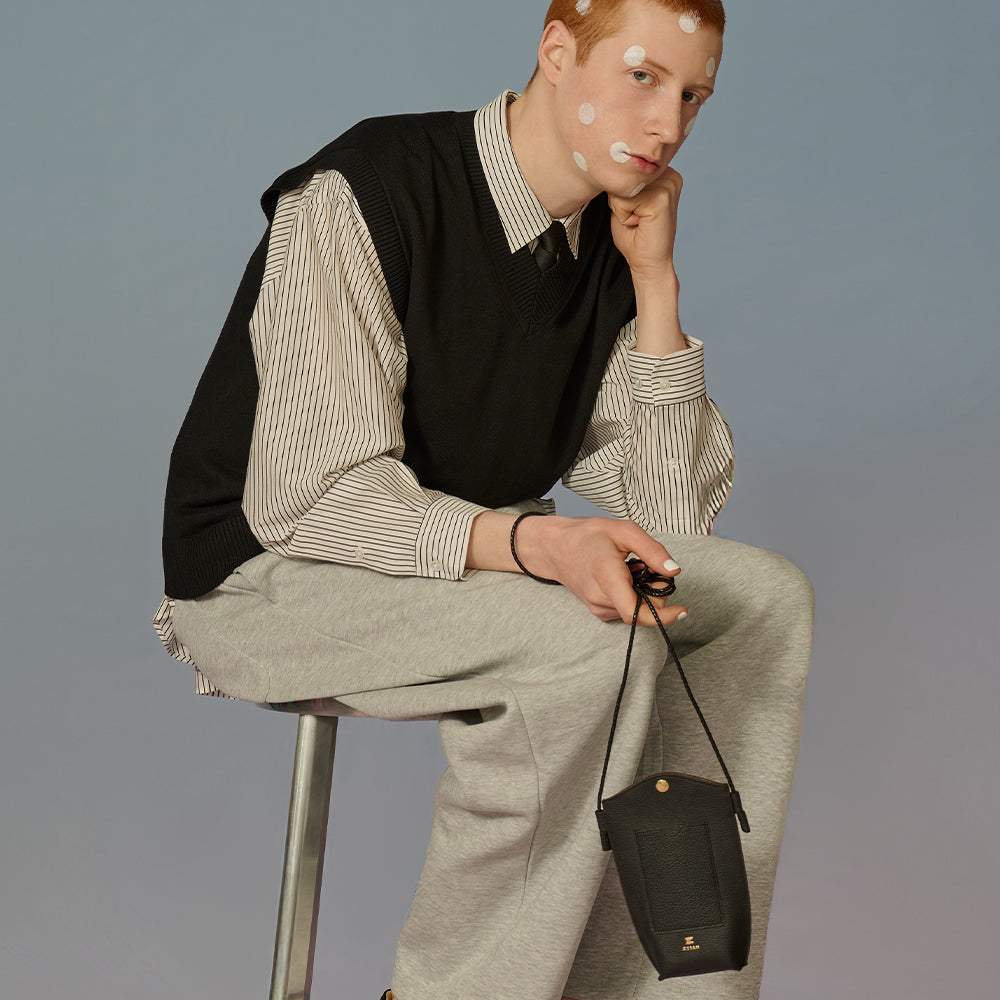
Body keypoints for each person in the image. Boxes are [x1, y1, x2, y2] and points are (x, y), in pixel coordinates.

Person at [153, 1, 814, 997]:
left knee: (760, 599)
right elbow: (314, 496)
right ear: (557, 52)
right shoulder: (366, 189)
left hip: (460, 568)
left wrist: (654, 283)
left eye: (693, 96)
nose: (668, 123)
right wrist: (540, 546)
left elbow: (672, 522)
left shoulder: (603, 242)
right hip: (269, 571)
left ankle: (663, 990)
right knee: (584, 641)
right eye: (642, 77)